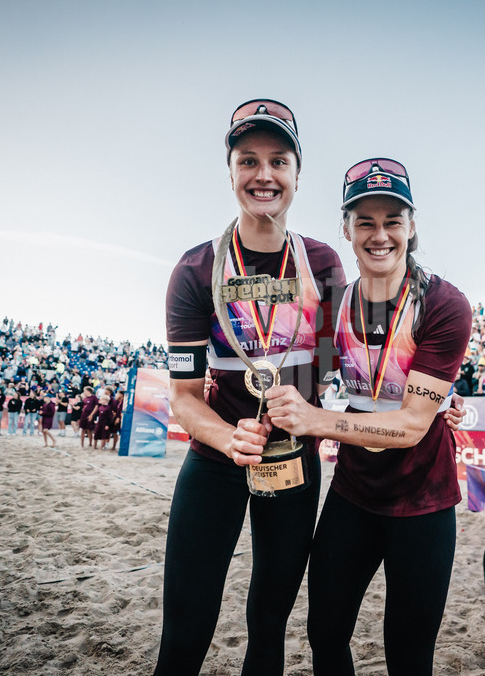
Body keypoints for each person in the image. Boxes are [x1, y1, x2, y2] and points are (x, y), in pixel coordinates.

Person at [153, 98, 346, 676]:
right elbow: (184, 398)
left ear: (296, 174)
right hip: (216, 458)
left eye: (278, 161)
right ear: (231, 172)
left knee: (269, 624)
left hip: (292, 460)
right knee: (185, 625)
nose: (264, 175)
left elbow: (341, 370)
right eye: (249, 161)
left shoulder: (323, 262)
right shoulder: (195, 269)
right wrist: (225, 437)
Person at [264, 155, 472, 676]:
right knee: (324, 634)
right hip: (354, 494)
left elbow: (409, 426)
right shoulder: (332, 305)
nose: (380, 235)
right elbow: (320, 385)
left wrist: (317, 421)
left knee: (408, 654)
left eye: (392, 221)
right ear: (347, 229)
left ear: (412, 226)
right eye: (366, 222)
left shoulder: (445, 305)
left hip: (423, 500)